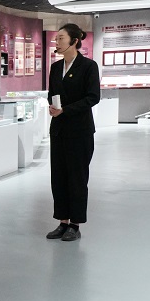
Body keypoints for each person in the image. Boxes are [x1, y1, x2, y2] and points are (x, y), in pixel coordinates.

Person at [46, 23, 100, 241]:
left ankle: (75, 225)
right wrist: (52, 107)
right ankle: (62, 221)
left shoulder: (88, 66)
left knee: (77, 178)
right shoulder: (55, 68)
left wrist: (65, 110)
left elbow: (93, 97)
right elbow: (51, 93)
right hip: (58, 130)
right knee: (58, 177)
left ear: (74, 41)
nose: (57, 42)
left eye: (61, 38)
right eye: (56, 39)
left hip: (80, 131)